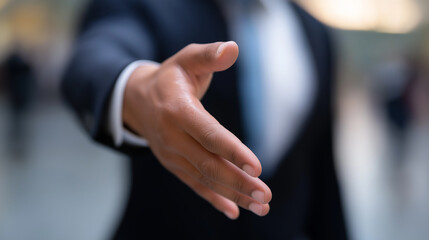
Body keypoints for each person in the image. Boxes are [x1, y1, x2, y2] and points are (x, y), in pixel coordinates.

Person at [61, 0, 348, 239]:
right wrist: (140, 89)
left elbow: (323, 180)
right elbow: (95, 54)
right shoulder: (148, 5)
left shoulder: (315, 34)